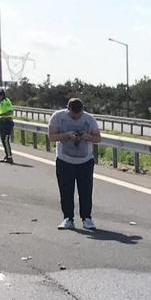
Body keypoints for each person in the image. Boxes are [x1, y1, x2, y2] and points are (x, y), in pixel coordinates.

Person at [48, 98, 101, 231]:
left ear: (83, 110)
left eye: (79, 115)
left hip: (85, 161)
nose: (76, 117)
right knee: (66, 190)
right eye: (73, 115)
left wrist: (87, 137)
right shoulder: (58, 116)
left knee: (86, 190)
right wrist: (66, 135)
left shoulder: (90, 119)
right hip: (65, 160)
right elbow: (51, 136)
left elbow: (98, 138)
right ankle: (68, 218)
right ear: (68, 109)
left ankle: (87, 218)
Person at [0, 89, 14, 163]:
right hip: (2, 123)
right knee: (3, 140)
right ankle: (7, 155)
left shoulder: (6, 101)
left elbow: (10, 112)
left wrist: (1, 115)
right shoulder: (1, 102)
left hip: (7, 122)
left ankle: (9, 157)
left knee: (5, 139)